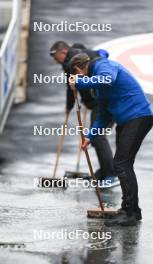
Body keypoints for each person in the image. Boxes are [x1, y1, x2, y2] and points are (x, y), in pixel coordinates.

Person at [68, 53, 153, 226]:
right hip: (127, 121)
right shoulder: (99, 87)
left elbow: (107, 79)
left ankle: (130, 212)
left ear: (78, 69)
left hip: (138, 117)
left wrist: (79, 82)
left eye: (76, 75)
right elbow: (103, 116)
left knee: (121, 164)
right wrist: (90, 137)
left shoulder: (103, 66)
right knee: (122, 164)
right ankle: (131, 210)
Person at [50, 41, 117, 184]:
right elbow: (71, 86)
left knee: (97, 137)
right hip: (96, 102)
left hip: (104, 102)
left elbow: (100, 58)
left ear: (63, 52)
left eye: (56, 58)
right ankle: (105, 171)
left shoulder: (76, 59)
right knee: (95, 137)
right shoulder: (70, 61)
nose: (56, 62)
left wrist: (73, 104)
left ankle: (110, 173)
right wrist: (72, 105)